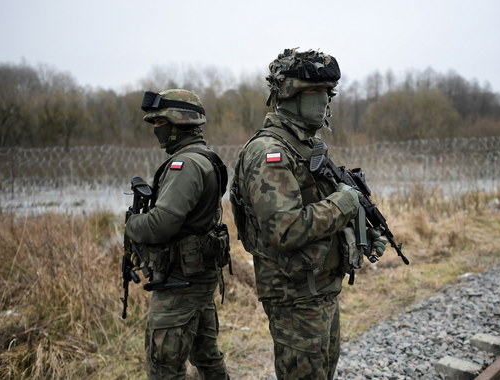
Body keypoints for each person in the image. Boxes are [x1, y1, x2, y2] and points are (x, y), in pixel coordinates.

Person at [230, 49, 386, 379]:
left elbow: (322, 204)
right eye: (320, 93)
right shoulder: (270, 152)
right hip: (295, 296)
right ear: (290, 95)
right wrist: (345, 203)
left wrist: (361, 233)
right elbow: (285, 229)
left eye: (331, 93)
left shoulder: (304, 146)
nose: (328, 101)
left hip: (319, 289)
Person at [125, 89, 230, 380]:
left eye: (159, 122)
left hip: (180, 283)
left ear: (178, 123)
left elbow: (161, 224)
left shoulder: (184, 165)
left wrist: (132, 223)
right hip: (197, 276)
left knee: (164, 367)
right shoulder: (204, 157)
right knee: (207, 357)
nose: (156, 129)